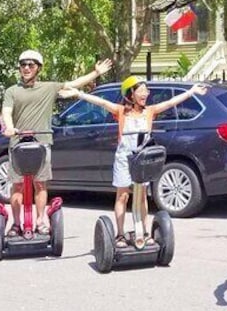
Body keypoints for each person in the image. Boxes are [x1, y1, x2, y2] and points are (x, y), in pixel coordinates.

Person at [68, 77, 208, 247]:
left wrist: (191, 92)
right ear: (131, 94)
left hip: (142, 157)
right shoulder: (121, 112)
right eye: (141, 90)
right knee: (123, 195)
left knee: (141, 196)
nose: (145, 94)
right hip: (124, 157)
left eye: (146, 90)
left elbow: (171, 102)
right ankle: (119, 234)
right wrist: (80, 94)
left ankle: (144, 232)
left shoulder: (149, 111)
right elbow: (101, 102)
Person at [2, 50, 113, 237]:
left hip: (42, 142)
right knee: (17, 185)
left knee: (40, 184)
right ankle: (15, 223)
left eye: (31, 65)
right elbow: (7, 111)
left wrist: (96, 73)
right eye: (23, 65)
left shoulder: (49, 87)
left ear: (38, 68)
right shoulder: (12, 91)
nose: (26, 68)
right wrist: (10, 127)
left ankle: (40, 221)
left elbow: (74, 84)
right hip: (18, 143)